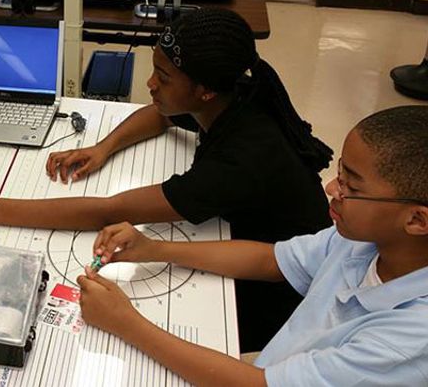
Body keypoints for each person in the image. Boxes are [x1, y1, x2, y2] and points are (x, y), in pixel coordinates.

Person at [0, 8, 333, 350]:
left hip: (278, 297)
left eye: (164, 77)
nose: (150, 84)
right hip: (264, 246)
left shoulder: (241, 159)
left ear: (204, 91)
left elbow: (110, 210)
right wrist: (104, 147)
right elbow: (162, 113)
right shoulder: (234, 93)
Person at [78, 106, 428, 386]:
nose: (331, 187)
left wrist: (126, 323)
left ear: (417, 220)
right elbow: (271, 260)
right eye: (341, 173)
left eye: (352, 185)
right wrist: (154, 249)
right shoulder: (365, 241)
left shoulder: (408, 343)